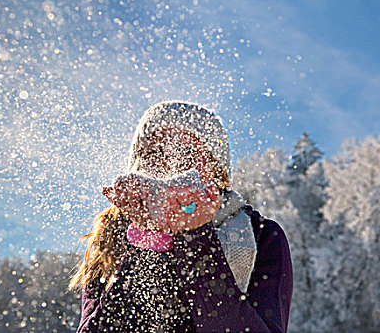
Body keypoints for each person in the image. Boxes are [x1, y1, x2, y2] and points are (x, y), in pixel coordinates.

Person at [69, 101, 293, 332]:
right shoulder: (112, 236)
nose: (169, 164)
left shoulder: (261, 236)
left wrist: (195, 236)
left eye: (187, 152)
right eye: (154, 152)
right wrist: (148, 239)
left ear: (216, 172)